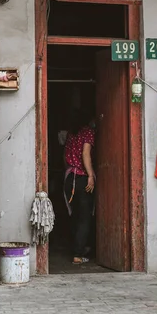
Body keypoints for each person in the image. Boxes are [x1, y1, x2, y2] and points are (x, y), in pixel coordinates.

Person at [63, 109, 95, 265]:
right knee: (85, 218)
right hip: (81, 178)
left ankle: (80, 247)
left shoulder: (71, 134)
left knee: (75, 216)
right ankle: (78, 254)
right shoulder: (87, 132)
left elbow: (65, 156)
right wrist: (90, 174)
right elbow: (85, 154)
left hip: (69, 177)